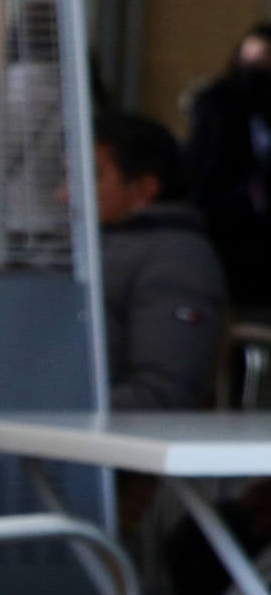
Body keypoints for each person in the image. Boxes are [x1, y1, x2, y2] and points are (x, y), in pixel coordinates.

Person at [92, 111, 227, 409]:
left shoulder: (177, 259)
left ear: (144, 188)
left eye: (92, 176)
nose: (66, 193)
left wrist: (53, 408)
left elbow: (163, 394)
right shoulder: (75, 251)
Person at [185, 23, 271, 312]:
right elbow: (205, 161)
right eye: (251, 61)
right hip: (223, 224)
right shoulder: (218, 102)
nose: (257, 69)